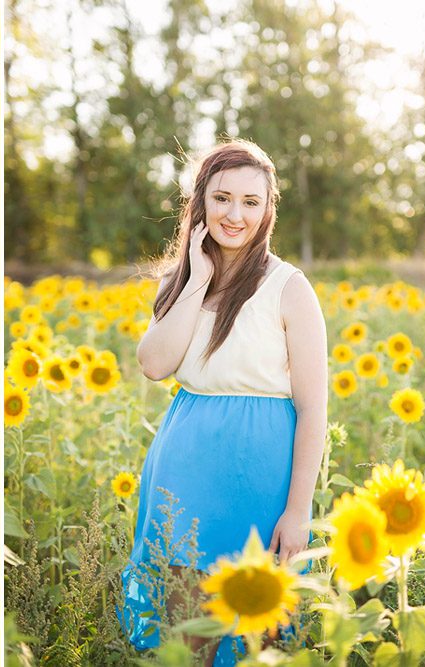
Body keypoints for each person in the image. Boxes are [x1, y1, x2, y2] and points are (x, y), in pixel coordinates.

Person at [118, 139, 327, 665]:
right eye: (222, 198)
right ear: (201, 203)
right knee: (189, 636)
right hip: (186, 473)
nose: (235, 215)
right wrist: (198, 276)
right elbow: (154, 364)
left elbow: (313, 408)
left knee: (262, 640)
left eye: (251, 202)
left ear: (268, 209)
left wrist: (298, 510)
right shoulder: (181, 282)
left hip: (262, 476)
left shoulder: (289, 288)